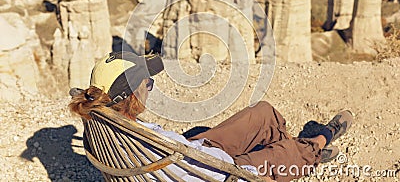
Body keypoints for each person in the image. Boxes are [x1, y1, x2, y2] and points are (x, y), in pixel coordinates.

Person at [69, 51, 353, 182]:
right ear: (128, 95)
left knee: (262, 113)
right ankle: (316, 143)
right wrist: (254, 175)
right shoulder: (149, 139)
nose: (150, 89)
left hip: (183, 154)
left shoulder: (101, 116)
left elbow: (181, 155)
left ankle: (297, 150)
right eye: (147, 84)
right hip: (212, 169)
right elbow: (211, 170)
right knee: (281, 153)